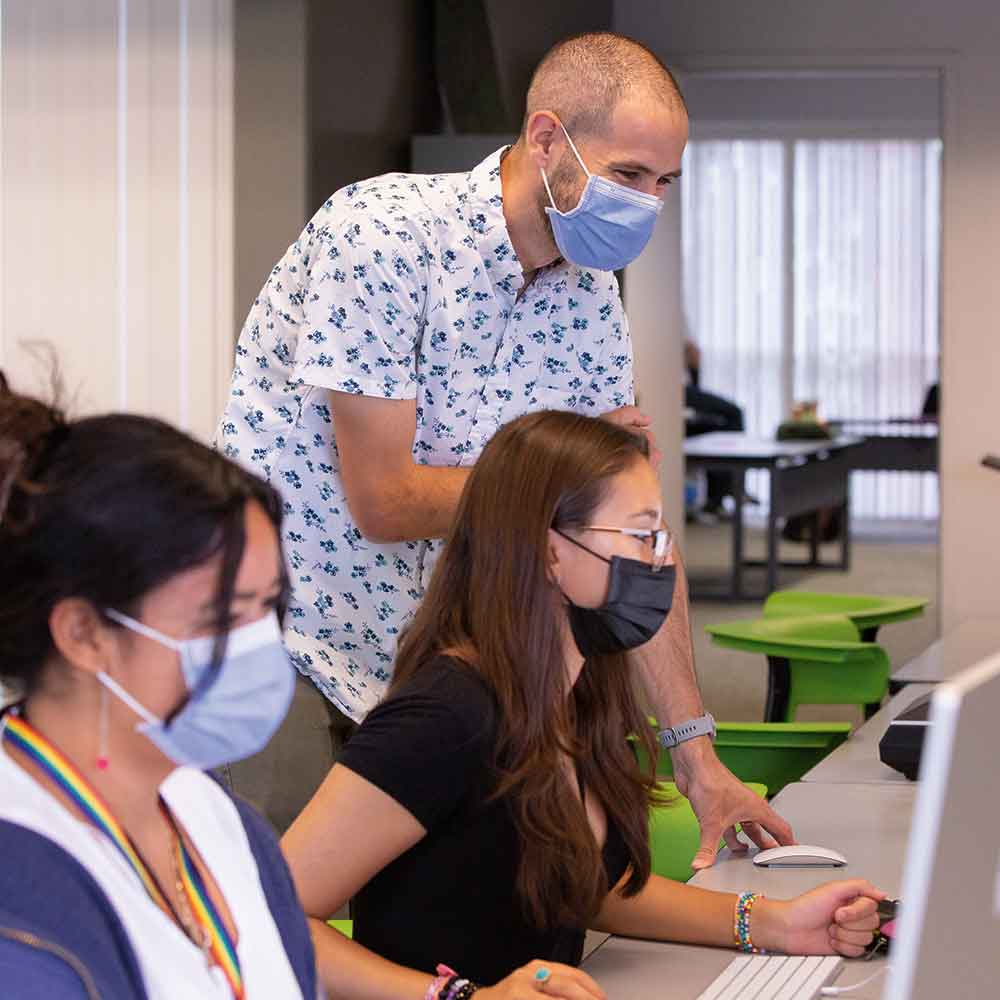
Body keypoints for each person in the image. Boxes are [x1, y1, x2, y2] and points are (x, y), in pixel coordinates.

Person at [216, 29, 793, 861]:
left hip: (452, 672)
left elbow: (632, 536)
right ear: (547, 138)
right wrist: (558, 481)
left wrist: (697, 757)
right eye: (629, 174)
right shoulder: (381, 234)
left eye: (665, 182)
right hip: (299, 645)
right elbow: (383, 501)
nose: (649, 202)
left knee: (443, 941)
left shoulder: (591, 304)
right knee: (270, 938)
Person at [282, 410, 885, 999]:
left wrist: (775, 922)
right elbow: (263, 913)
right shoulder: (446, 716)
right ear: (549, 552)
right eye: (641, 535)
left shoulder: (573, 692)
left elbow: (592, 887)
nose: (663, 561)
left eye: (662, 538)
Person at [0, 373, 316, 999]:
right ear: (85, 633)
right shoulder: (20, 891)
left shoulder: (219, 818)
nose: (255, 646)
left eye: (267, 608)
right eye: (220, 619)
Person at [683, 338, 748, 518]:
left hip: (687, 388)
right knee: (734, 413)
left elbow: (693, 354)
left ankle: (722, 495)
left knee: (722, 426)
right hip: (675, 387)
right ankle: (728, 492)